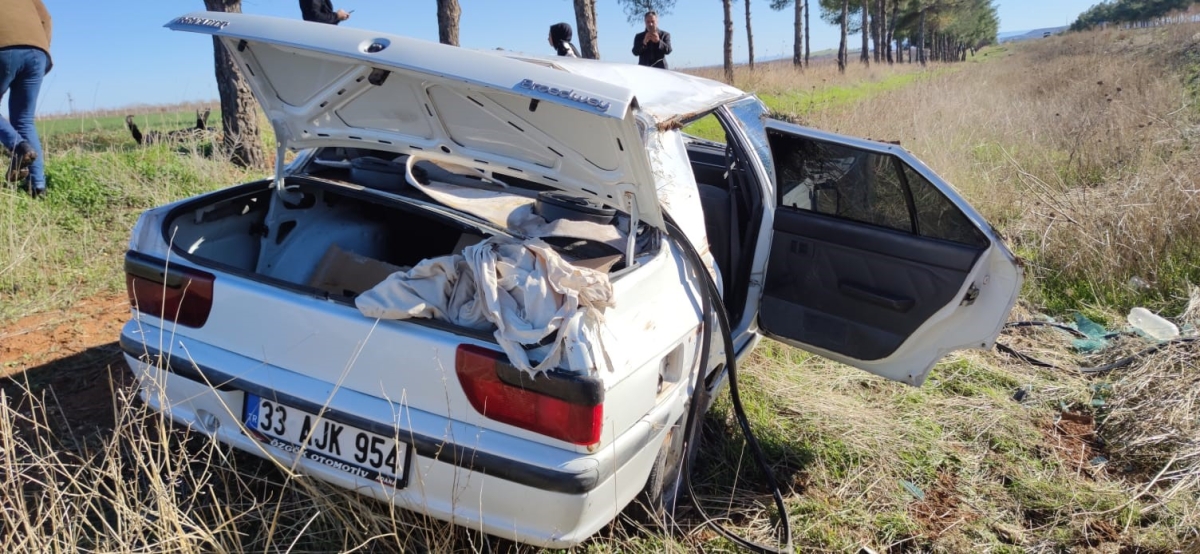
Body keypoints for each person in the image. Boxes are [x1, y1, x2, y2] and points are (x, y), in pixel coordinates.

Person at [0, 0, 52, 198]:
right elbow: (46, 19)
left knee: (20, 127)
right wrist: (40, 47)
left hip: (3, 47)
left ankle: (19, 146)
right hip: (38, 52)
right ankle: (37, 187)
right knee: (24, 120)